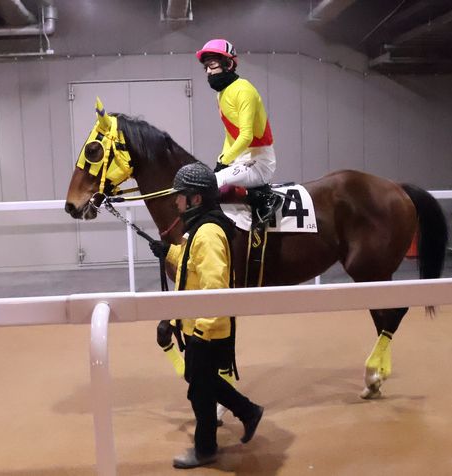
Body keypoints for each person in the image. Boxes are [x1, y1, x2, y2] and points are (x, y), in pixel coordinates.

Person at [149, 162, 264, 469]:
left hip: (207, 330)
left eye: (181, 195)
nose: (176, 201)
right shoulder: (201, 229)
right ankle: (248, 412)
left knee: (200, 391)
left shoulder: (208, 234)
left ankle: (206, 449)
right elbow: (192, 264)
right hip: (201, 327)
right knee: (202, 383)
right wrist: (168, 252)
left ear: (196, 199)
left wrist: (200, 332)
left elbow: (215, 288)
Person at [196, 38, 282, 224]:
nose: (208, 71)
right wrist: (222, 159)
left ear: (228, 64)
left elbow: (246, 136)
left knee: (213, 183)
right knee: (214, 180)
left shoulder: (244, 90)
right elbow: (230, 135)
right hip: (242, 160)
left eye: (212, 65)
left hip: (260, 162)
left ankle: (266, 198)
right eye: (206, 67)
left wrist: (224, 161)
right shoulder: (221, 94)